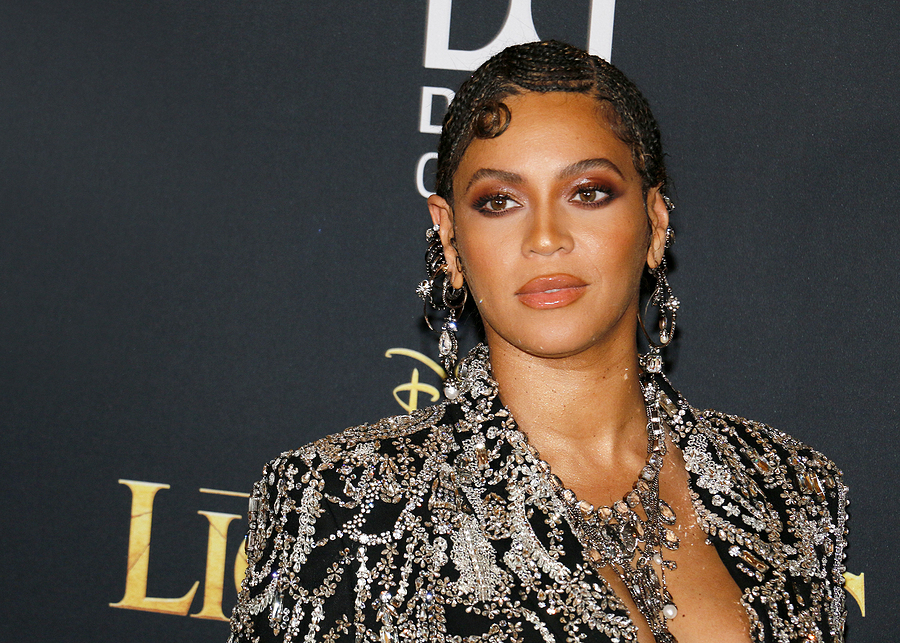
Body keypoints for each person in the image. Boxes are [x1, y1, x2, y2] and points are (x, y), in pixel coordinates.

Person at [228, 41, 848, 643]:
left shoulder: (793, 490)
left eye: (589, 192)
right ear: (449, 241)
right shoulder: (339, 506)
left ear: (655, 223)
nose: (545, 237)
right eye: (499, 201)